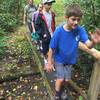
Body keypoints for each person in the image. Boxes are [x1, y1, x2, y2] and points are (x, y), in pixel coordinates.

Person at [46, 4, 100, 100]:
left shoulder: (80, 30)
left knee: (66, 79)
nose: (76, 22)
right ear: (66, 17)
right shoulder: (59, 31)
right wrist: (49, 62)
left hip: (70, 61)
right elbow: (51, 48)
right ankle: (57, 95)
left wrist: (93, 42)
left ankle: (63, 89)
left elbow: (88, 45)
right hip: (59, 59)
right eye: (73, 19)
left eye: (78, 20)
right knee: (60, 78)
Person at [35, 0, 56, 68]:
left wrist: (54, 31)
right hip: (45, 36)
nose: (50, 5)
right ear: (44, 4)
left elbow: (53, 24)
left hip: (52, 35)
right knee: (45, 50)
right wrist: (43, 34)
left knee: (51, 49)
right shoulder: (40, 15)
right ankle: (45, 62)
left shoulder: (52, 14)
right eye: (48, 4)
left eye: (51, 3)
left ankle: (50, 64)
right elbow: (37, 26)